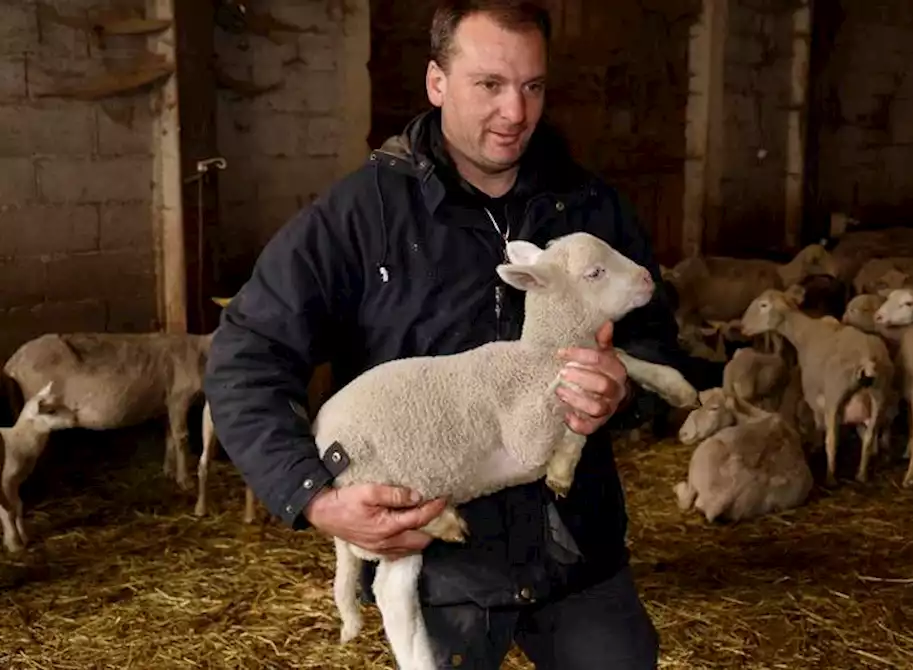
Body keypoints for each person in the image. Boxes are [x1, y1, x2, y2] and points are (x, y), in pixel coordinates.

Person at [202, 1, 687, 668]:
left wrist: (625, 390)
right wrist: (313, 496)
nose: (516, 112)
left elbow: (658, 336)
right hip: (437, 562)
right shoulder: (359, 215)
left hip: (576, 549)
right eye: (489, 84)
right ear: (437, 82)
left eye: (533, 86)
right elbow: (245, 354)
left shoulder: (592, 209)